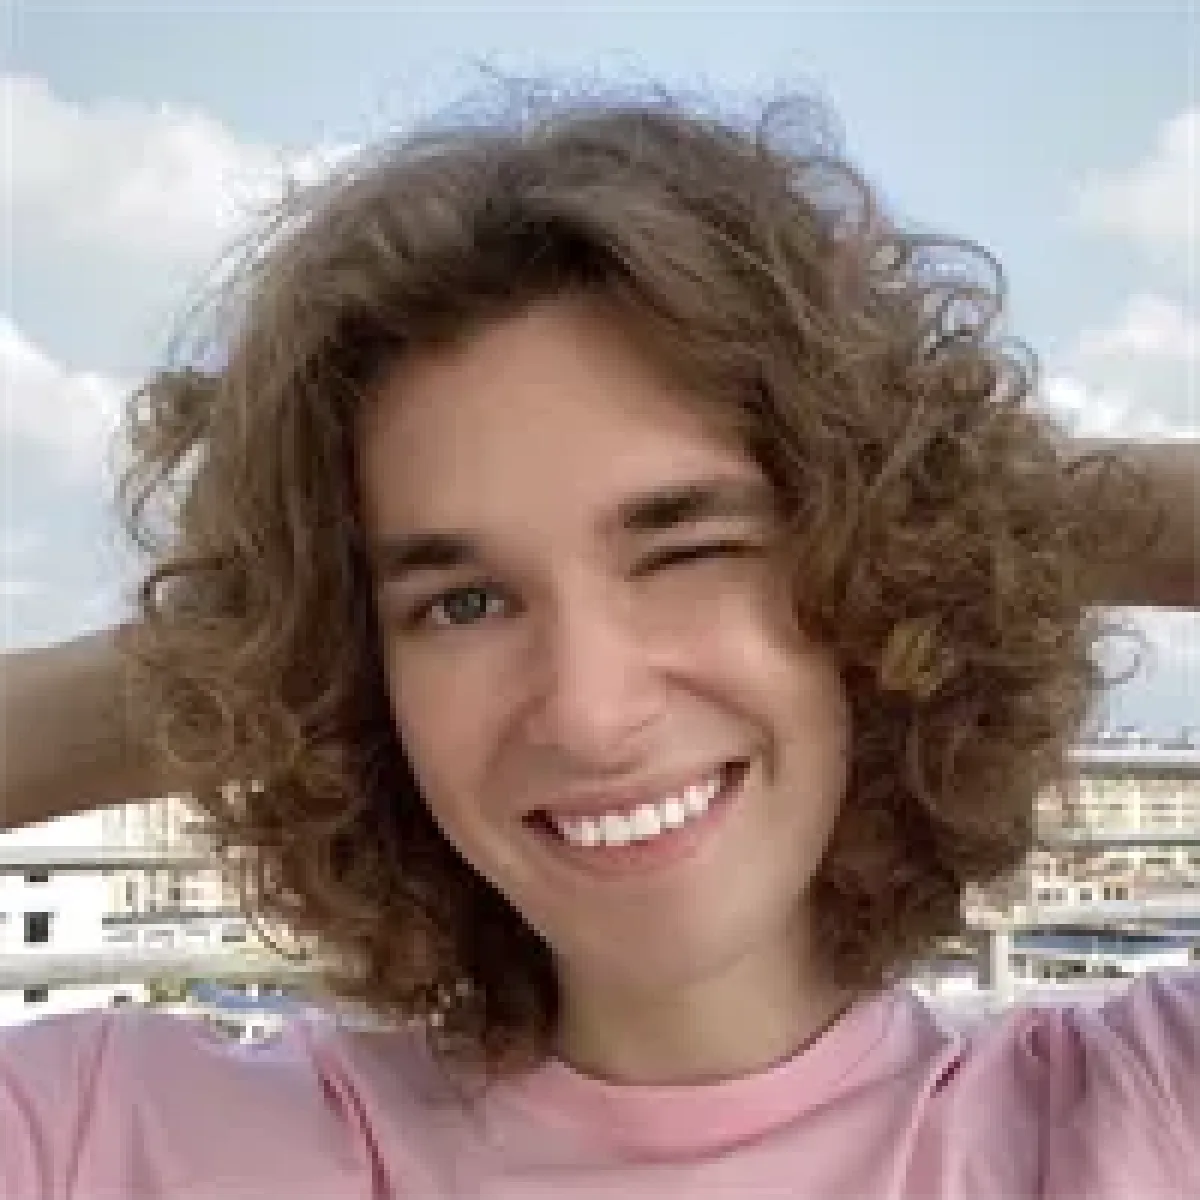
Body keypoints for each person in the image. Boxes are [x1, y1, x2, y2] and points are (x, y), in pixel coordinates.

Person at [1, 81, 1198, 1198]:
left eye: (686, 551)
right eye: (462, 603)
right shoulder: (118, 1138)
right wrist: (243, 671)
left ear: (877, 574)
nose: (589, 710)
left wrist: (965, 506)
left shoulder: (1133, 1119)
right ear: (366, 673)